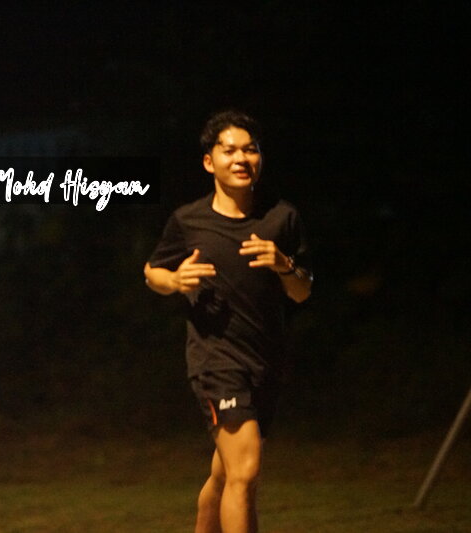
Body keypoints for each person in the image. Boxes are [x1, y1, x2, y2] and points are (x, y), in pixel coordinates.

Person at [143, 110, 312, 533]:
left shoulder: (281, 218)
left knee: (224, 475)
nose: (241, 159)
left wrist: (285, 265)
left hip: (266, 360)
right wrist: (175, 281)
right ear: (209, 161)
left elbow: (302, 291)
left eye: (250, 150)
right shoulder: (189, 221)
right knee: (246, 471)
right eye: (230, 150)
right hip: (216, 361)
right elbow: (152, 271)